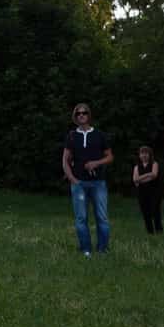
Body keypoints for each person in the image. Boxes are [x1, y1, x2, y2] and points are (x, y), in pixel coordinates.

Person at [61, 103, 112, 255]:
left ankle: (102, 249)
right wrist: (72, 179)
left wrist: (96, 163)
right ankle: (86, 250)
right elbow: (65, 160)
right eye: (78, 113)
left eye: (84, 113)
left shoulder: (99, 135)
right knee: (81, 218)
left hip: (98, 183)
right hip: (79, 183)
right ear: (75, 117)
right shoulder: (71, 136)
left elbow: (110, 156)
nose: (81, 115)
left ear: (89, 115)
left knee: (102, 217)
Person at [133, 145, 163, 236]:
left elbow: (154, 175)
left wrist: (141, 178)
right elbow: (135, 180)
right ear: (139, 155)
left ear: (150, 155)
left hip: (154, 191)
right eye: (142, 153)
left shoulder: (154, 164)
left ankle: (159, 231)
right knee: (145, 212)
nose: (144, 155)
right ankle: (150, 232)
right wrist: (148, 175)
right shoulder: (136, 167)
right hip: (142, 192)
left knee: (155, 211)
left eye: (146, 153)